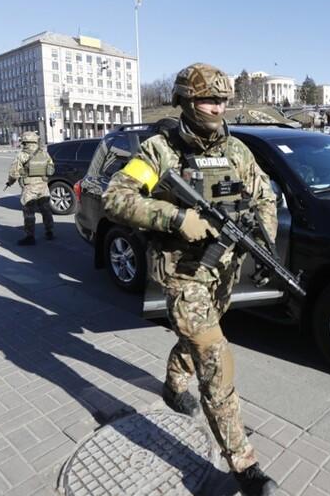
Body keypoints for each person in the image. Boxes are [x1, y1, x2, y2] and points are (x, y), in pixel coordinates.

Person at [103, 63, 279, 496]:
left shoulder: (238, 151)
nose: (217, 107)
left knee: (196, 343)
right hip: (183, 276)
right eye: (208, 100)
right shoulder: (158, 151)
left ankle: (173, 381)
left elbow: (264, 196)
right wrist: (177, 217)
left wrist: (263, 237)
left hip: (222, 272)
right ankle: (244, 464)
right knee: (216, 360)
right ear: (185, 100)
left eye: (222, 100)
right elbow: (115, 197)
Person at [6, 131, 55, 246]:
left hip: (29, 187)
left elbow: (14, 173)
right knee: (46, 210)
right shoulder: (44, 153)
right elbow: (51, 168)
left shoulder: (22, 155)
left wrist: (10, 182)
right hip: (43, 186)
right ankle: (49, 231)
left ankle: (30, 236)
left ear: (24, 142)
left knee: (29, 212)